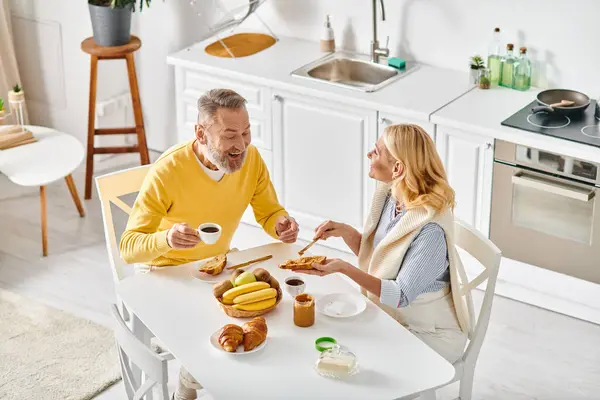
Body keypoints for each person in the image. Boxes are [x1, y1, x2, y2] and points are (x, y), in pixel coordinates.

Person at [119, 88, 299, 400]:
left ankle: (202, 383)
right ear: (201, 134)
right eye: (230, 135)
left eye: (246, 132)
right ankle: (188, 388)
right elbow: (129, 247)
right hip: (166, 276)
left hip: (216, 270)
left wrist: (280, 224)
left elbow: (269, 211)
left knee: (273, 322)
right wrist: (167, 239)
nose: (240, 145)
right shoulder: (168, 172)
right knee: (215, 343)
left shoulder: (251, 160)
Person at [296, 124, 472, 364]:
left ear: (397, 168)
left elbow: (399, 295)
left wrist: (344, 268)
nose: (369, 155)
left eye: (376, 152)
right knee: (338, 345)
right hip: (396, 318)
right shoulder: (394, 198)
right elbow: (383, 261)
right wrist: (347, 233)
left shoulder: (430, 231)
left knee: (358, 359)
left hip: (430, 334)